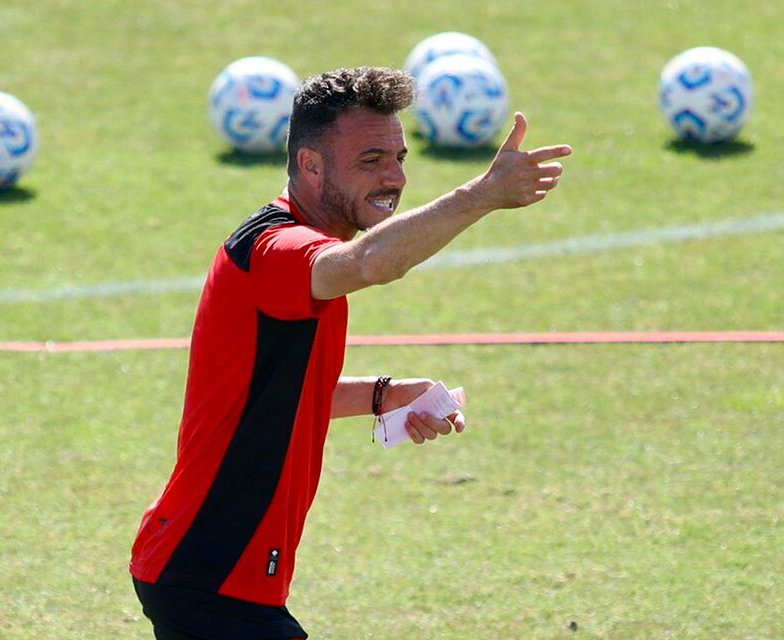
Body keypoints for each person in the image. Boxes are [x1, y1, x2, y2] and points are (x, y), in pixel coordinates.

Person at [130, 66, 572, 639]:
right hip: (211, 576)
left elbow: (273, 393)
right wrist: (482, 195)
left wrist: (384, 394)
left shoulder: (291, 250)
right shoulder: (278, 249)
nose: (393, 178)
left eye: (399, 159)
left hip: (208, 572)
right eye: (370, 162)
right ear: (311, 165)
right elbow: (370, 264)